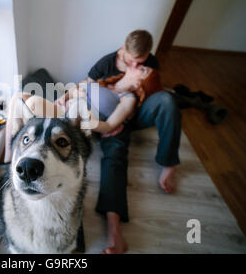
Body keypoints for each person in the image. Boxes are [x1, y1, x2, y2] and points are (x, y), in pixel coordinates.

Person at [56, 29, 182, 254]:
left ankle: (168, 163)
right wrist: (66, 98)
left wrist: (139, 85)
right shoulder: (106, 63)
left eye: (140, 63)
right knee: (114, 152)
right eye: (131, 61)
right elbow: (86, 85)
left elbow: (151, 97)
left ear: (148, 56)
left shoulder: (150, 65)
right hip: (107, 116)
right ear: (122, 50)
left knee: (168, 101)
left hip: (133, 112)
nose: (135, 67)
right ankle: (114, 227)